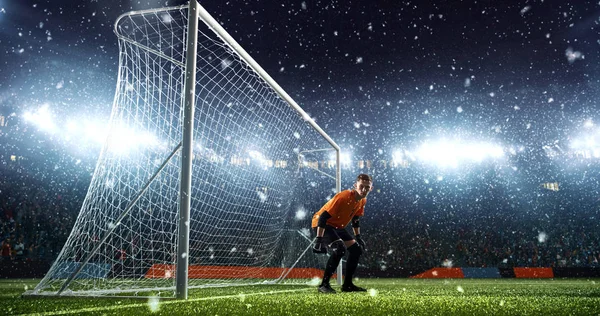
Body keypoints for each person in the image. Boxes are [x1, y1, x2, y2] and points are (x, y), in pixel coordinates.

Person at [311, 173, 373, 293]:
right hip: (322, 224)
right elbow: (323, 217)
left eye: (367, 187)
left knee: (356, 250)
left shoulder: (362, 200)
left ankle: (347, 285)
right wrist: (319, 240)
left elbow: (355, 219)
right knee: (340, 249)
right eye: (361, 186)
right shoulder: (344, 197)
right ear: (355, 185)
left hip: (337, 226)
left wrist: (358, 237)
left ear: (371, 188)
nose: (364, 190)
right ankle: (323, 285)